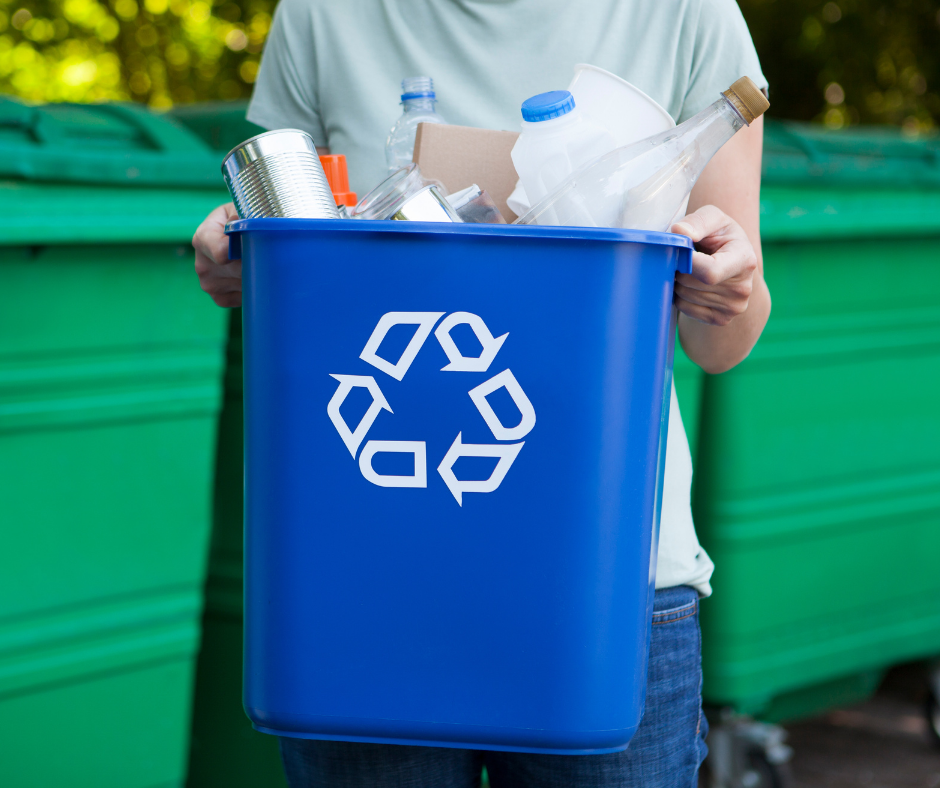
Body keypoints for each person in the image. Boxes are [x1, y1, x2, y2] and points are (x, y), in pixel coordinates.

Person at [193, 1, 771, 785]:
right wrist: (240, 256)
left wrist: (727, 290)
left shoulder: (684, 14)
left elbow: (723, 341)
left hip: (608, 578)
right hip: (365, 574)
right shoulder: (323, 14)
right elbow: (291, 241)